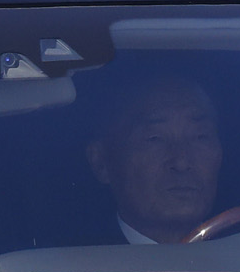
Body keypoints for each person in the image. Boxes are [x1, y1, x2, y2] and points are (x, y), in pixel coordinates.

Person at [85, 77, 223, 244]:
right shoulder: (66, 263)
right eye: (155, 139)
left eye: (200, 137)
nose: (181, 162)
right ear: (101, 163)